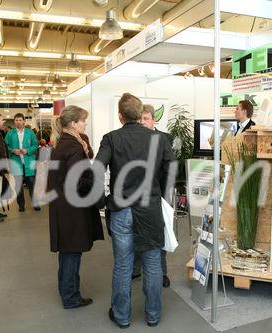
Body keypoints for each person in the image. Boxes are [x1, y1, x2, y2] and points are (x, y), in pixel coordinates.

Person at [95, 93, 175, 329]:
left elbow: (96, 169)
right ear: (141, 116)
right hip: (149, 208)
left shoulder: (111, 138)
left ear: (120, 116)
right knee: (152, 262)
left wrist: (102, 200)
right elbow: (171, 170)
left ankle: (122, 316)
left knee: (123, 264)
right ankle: (153, 315)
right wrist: (160, 196)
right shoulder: (158, 139)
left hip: (121, 209)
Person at [48, 106, 104, 309]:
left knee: (67, 253)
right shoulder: (74, 147)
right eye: (83, 121)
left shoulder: (63, 143)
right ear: (73, 124)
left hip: (63, 207)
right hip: (72, 209)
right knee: (72, 253)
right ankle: (71, 297)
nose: (85, 124)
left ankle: (67, 292)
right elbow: (78, 182)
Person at [134, 104, 174, 288]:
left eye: (146, 118)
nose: (142, 122)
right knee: (135, 231)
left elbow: (169, 169)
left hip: (159, 194)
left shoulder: (165, 138)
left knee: (161, 232)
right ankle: (136, 268)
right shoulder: (132, 138)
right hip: (136, 194)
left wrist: (165, 195)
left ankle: (162, 272)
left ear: (154, 120)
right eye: (140, 119)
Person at [4, 113, 40, 212]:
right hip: (16, 162)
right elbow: (5, 146)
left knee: (32, 184)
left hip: (29, 162)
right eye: (16, 120)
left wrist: (28, 150)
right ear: (14, 121)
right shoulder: (10, 133)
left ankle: (35, 203)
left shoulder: (30, 132)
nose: (18, 122)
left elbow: (35, 144)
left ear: (24, 121)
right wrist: (12, 150)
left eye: (20, 120)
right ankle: (21, 205)